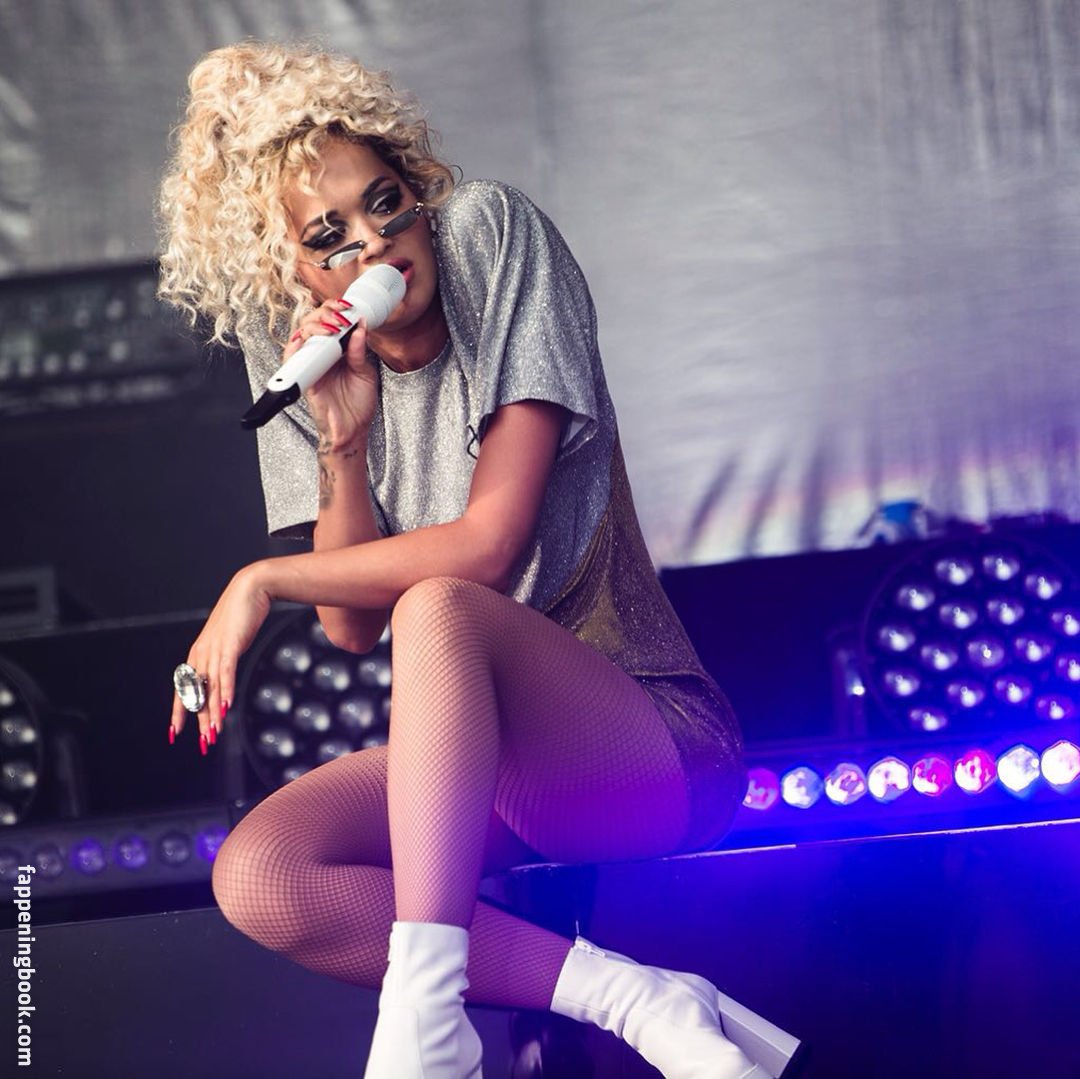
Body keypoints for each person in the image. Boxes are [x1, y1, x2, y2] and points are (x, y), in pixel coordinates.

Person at [157, 40, 800, 1079]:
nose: (375, 242)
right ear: (297, 276)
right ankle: (636, 998)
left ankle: (423, 1022)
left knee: (440, 604)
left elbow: (488, 545)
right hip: (487, 778)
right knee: (263, 870)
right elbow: (349, 626)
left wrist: (258, 579)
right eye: (330, 237)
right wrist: (345, 441)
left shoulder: (489, 236)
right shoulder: (302, 357)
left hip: (652, 747)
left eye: (387, 204)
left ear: (419, 189)